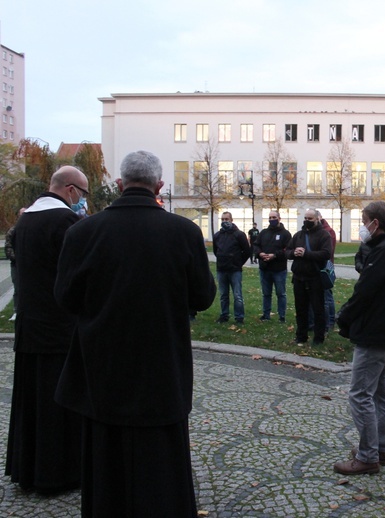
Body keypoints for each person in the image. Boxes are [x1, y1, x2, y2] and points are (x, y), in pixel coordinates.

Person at [54, 151, 216, 516]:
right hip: (161, 363)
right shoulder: (184, 232)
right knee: (161, 454)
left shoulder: (82, 232)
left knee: (105, 449)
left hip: (102, 363)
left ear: (119, 184)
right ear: (159, 186)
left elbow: (65, 297)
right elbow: (203, 297)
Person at [5, 167, 87, 493]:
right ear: (69, 189)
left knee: (32, 403)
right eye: (82, 192)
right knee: (58, 404)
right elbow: (77, 277)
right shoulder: (64, 222)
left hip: (30, 325)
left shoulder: (26, 221)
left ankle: (30, 470)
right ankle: (59, 474)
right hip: (59, 330)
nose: (82, 199)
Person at [333, 201, 385, 475]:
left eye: (364, 221)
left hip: (375, 332)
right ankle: (381, 449)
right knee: (380, 393)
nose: (362, 227)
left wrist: (344, 317)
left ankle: (368, 456)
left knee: (361, 394)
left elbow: (364, 290)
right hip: (383, 330)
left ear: (376, 223)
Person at [287, 209, 332, 345]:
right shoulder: (298, 235)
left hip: (315, 277)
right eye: (305, 218)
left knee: (318, 309)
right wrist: (294, 253)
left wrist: (306, 254)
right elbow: (287, 252)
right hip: (299, 277)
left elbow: (325, 254)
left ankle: (318, 338)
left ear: (317, 219)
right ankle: (301, 336)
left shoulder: (324, 235)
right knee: (300, 309)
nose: (307, 221)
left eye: (310, 219)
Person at [252, 211, 292, 322]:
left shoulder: (286, 234)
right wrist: (259, 254)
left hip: (279, 269)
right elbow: (256, 245)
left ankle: (282, 316)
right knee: (266, 294)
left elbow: (287, 250)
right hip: (264, 268)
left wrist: (274, 255)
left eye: (274, 217)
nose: (272, 219)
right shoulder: (263, 233)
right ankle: (266, 315)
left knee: (281, 294)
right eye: (270, 217)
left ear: (279, 218)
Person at [213, 211, 250, 324]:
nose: (224, 221)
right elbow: (216, 251)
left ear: (231, 220)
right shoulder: (217, 235)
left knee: (237, 295)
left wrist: (238, 263)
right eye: (223, 219)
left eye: (227, 219)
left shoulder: (239, 234)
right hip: (221, 269)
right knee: (223, 295)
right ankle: (224, 315)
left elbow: (247, 251)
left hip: (234, 270)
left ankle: (239, 317)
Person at [4, 207, 24, 321]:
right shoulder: (13, 231)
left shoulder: (31, 230)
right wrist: (17, 259)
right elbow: (8, 247)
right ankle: (16, 310)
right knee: (18, 288)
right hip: (17, 264)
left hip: (30, 265)